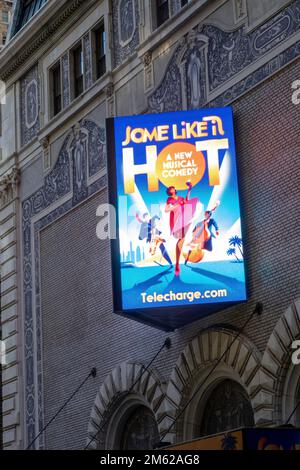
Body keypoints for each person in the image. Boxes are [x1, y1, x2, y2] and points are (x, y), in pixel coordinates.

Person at [165, 182, 199, 276]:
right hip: (176, 220)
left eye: (172, 187)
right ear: (169, 192)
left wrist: (189, 189)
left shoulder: (180, 198)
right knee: (180, 239)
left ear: (175, 190)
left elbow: (187, 201)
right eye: (170, 188)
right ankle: (177, 263)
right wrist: (177, 205)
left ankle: (177, 263)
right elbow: (166, 210)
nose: (171, 188)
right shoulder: (169, 199)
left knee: (182, 239)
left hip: (184, 218)